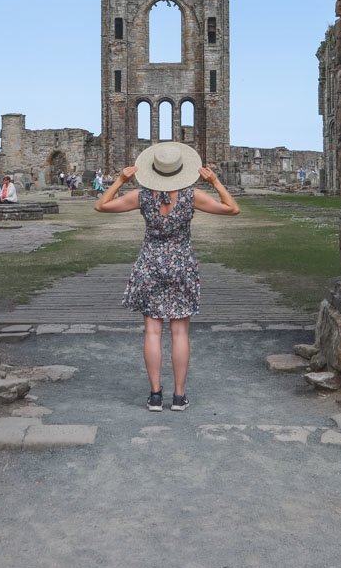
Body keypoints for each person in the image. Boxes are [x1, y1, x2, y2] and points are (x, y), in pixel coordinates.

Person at [94, 141, 239, 413]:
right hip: (181, 262)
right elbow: (232, 208)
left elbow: (102, 205)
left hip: (150, 261)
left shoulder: (141, 195)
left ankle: (155, 395)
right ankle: (180, 397)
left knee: (152, 330)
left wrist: (121, 179)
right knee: (180, 331)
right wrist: (216, 182)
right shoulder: (191, 195)